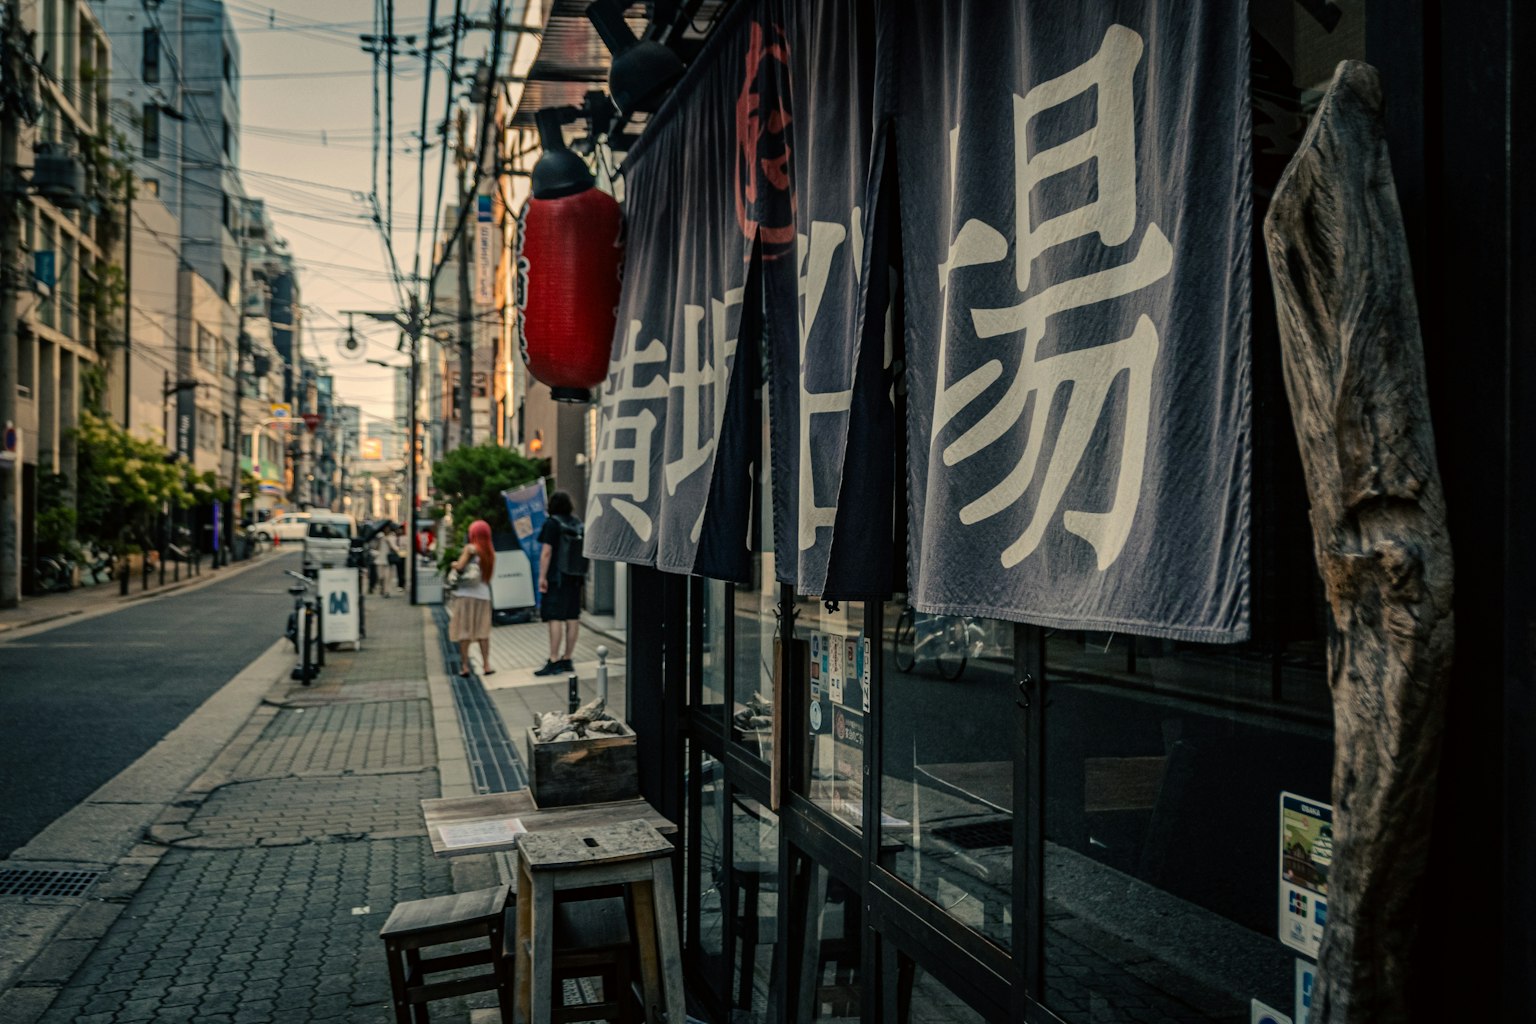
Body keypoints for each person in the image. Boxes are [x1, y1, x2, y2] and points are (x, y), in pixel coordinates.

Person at [535, 491, 584, 676]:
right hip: (575, 577)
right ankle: (567, 658)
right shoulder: (576, 522)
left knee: (555, 618)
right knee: (572, 617)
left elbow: (546, 552)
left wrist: (542, 577)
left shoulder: (552, 523)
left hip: (557, 578)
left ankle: (554, 659)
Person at [449, 519, 495, 677]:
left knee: (464, 631)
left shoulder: (470, 549)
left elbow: (460, 567)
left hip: (466, 595)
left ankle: (465, 666)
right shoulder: (490, 552)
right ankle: (486, 665)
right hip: (483, 595)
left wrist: (454, 564)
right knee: (483, 631)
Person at [372, 526, 399, 597]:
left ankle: (386, 591)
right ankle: (382, 588)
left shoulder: (392, 537)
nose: (386, 530)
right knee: (380, 576)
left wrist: (389, 542)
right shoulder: (380, 537)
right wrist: (379, 541)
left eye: (388, 528)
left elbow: (395, 548)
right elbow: (376, 547)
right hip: (380, 559)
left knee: (387, 577)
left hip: (388, 560)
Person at [390, 525, 407, 592]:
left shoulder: (405, 537)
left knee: (403, 570)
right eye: (398, 530)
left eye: (400, 529)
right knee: (399, 570)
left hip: (404, 554)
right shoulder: (395, 537)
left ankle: (402, 584)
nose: (399, 531)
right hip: (398, 555)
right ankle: (400, 584)